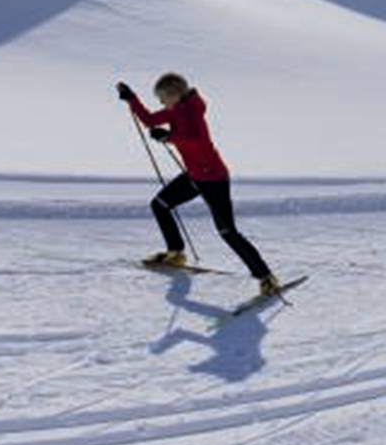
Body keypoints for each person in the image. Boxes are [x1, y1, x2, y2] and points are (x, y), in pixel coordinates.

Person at [117, 73, 282, 295]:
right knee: (160, 204)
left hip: (214, 179)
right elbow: (148, 120)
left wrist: (169, 137)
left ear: (174, 95)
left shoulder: (193, 112)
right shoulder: (175, 110)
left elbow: (197, 139)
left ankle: (266, 278)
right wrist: (131, 98)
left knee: (227, 232)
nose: (161, 103)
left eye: (163, 98)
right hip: (195, 176)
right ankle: (176, 252)